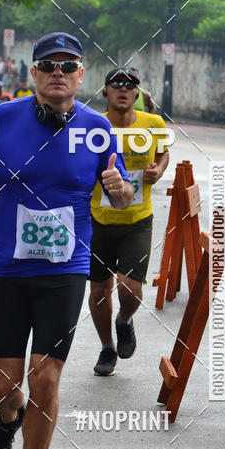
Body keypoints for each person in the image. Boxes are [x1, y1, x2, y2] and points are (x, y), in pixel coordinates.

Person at [0, 33, 133, 449]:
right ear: (32, 73)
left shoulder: (97, 128)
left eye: (67, 65)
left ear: (80, 76)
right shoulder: (3, 117)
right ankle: (8, 420)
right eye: (47, 65)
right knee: (3, 387)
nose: (57, 72)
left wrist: (119, 190)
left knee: (45, 377)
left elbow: (122, 193)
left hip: (66, 270)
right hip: (8, 270)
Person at [89, 67, 170, 376]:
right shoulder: (94, 126)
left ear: (137, 93)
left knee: (129, 287)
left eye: (130, 84)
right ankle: (107, 347)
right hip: (97, 219)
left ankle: (124, 319)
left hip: (137, 219)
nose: (123, 88)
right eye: (116, 83)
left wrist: (158, 170)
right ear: (106, 92)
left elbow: (163, 154)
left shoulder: (154, 123)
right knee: (98, 291)